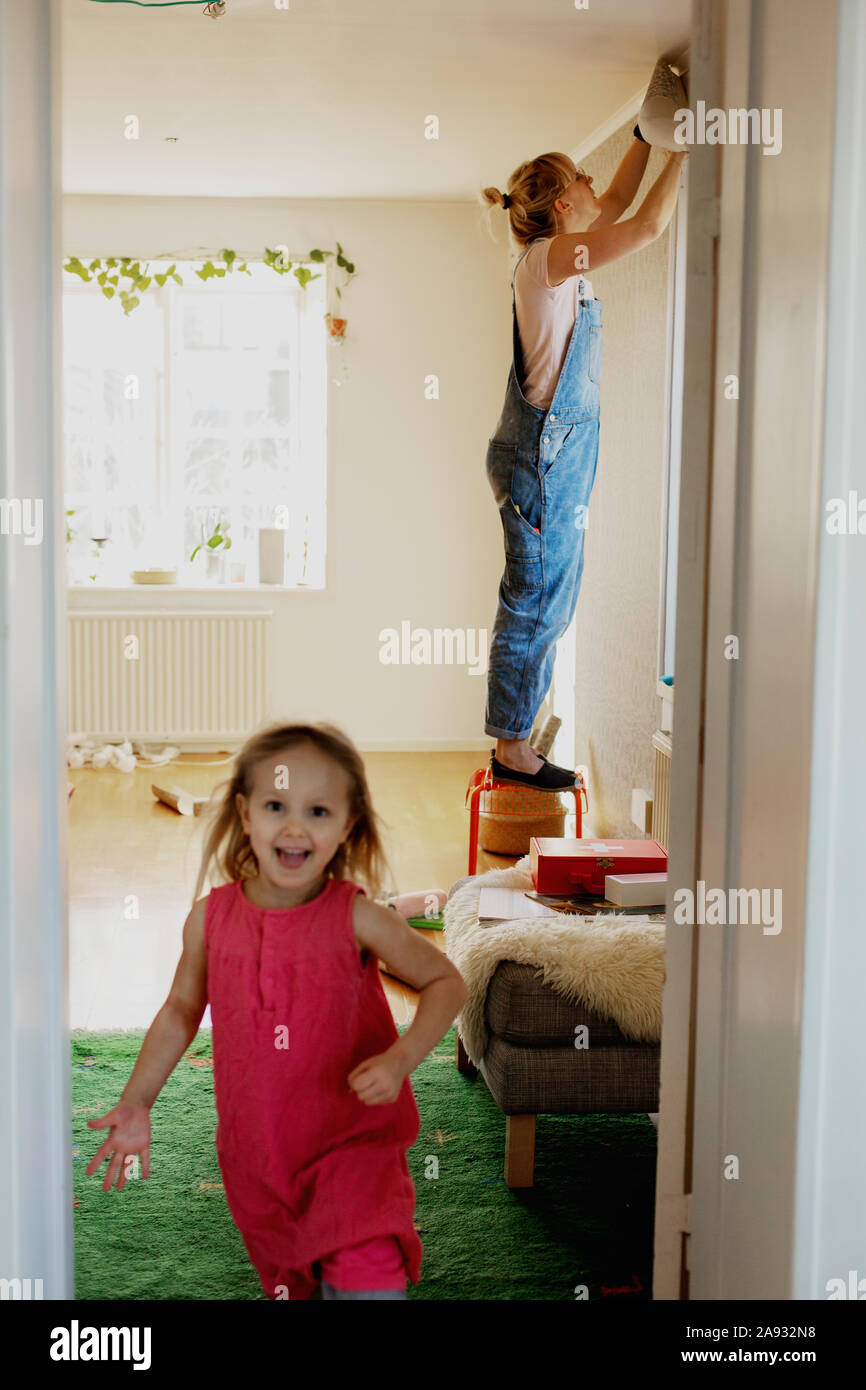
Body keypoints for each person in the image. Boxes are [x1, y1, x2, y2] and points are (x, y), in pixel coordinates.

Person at [85, 721, 467, 1301]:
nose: (294, 825)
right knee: (295, 1278)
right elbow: (181, 1011)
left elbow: (445, 981)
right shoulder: (209, 921)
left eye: (318, 811)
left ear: (348, 825)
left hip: (354, 1144)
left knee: (366, 1267)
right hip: (260, 1154)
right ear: (245, 815)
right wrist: (136, 1101)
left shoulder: (358, 918)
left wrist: (401, 1059)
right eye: (275, 805)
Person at [481, 139, 688, 790]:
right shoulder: (547, 259)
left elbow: (622, 203)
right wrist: (682, 150)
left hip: (552, 454)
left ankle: (516, 740)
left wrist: (647, 139)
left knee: (548, 605)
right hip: (543, 456)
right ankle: (512, 748)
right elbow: (646, 225)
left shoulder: (556, 258)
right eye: (583, 177)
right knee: (534, 606)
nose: (598, 182)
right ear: (565, 202)